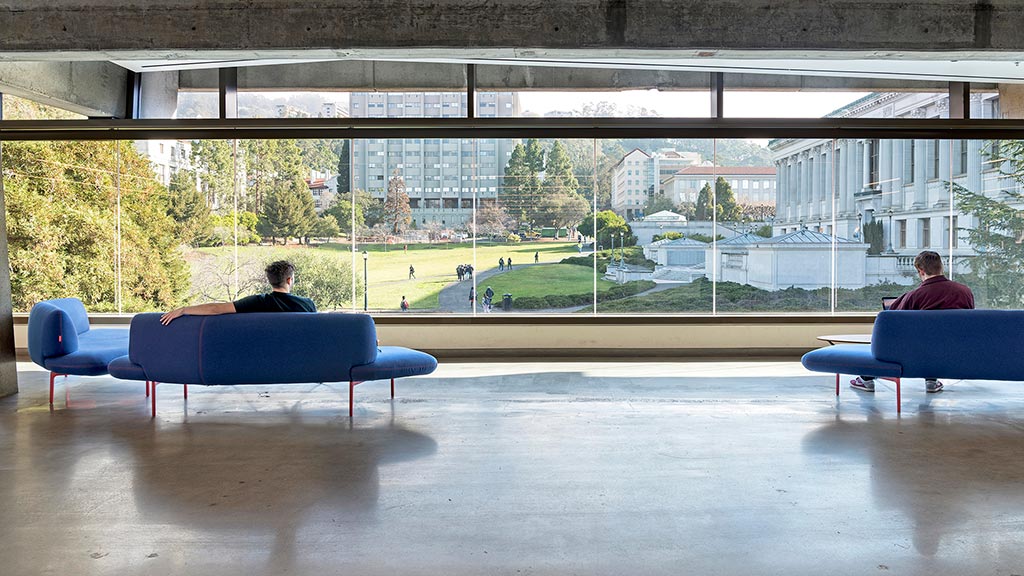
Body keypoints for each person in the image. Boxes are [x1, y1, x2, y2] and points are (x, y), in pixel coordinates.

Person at [851, 250, 974, 394]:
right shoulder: (965, 292)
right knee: (933, 339)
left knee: (904, 339)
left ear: (921, 271)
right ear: (941, 267)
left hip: (918, 353)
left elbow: (891, 321)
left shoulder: (914, 296)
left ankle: (866, 378)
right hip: (956, 351)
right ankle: (931, 380)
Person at [160, 260, 315, 325]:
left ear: (270, 280)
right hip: (299, 362)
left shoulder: (257, 302)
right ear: (289, 280)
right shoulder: (307, 305)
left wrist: (184, 310)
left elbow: (216, 309)